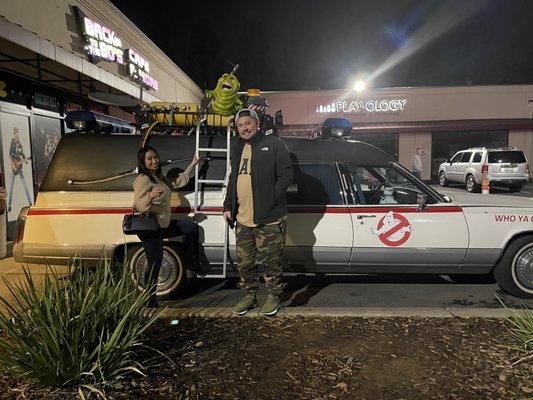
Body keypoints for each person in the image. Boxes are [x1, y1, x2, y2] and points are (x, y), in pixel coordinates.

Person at [223, 108, 293, 316]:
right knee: (245, 263)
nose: (244, 128)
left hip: (270, 219)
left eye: (247, 123)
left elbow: (286, 175)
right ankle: (249, 296)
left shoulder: (274, 145)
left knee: (271, 262)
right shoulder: (237, 148)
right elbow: (232, 179)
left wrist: (273, 197)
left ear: (257, 123)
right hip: (243, 219)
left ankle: (273, 296)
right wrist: (228, 206)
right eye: (240, 125)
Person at [133, 146, 201, 308]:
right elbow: (138, 206)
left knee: (190, 227)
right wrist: (150, 195)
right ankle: (150, 299)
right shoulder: (143, 179)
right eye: (149, 158)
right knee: (155, 262)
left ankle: (192, 263)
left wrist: (193, 165)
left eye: (155, 157)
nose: (154, 161)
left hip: (163, 224)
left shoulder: (158, 177)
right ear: (142, 161)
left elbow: (176, 183)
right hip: (150, 228)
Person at [8, 127, 32, 212]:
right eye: (15, 136)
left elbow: (22, 154)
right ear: (14, 135)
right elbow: (10, 154)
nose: (16, 138)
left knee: (25, 185)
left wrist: (26, 160)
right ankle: (9, 206)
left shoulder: (21, 146)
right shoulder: (12, 142)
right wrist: (13, 165)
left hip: (19, 167)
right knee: (10, 187)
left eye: (18, 136)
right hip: (14, 167)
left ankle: (30, 202)